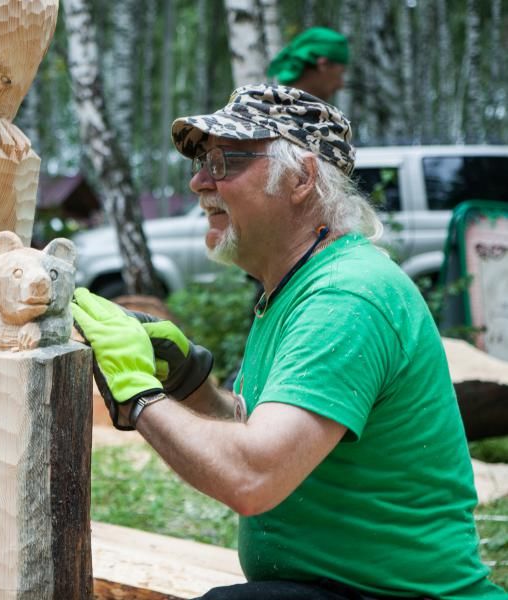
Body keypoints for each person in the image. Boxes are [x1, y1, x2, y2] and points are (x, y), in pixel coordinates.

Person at [71, 84, 504, 599]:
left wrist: (137, 393)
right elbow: (268, 435)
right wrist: (192, 386)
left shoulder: (346, 298)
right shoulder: (295, 287)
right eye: (200, 162)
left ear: (301, 177)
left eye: (223, 161)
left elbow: (253, 477)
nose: (199, 181)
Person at [267, 27, 349, 101]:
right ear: (324, 64)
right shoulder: (320, 115)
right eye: (340, 74)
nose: (340, 85)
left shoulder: (263, 103)